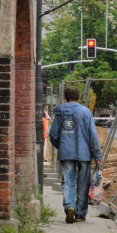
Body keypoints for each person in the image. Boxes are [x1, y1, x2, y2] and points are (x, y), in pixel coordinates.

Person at [49, 86, 101, 223]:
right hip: (84, 154)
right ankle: (80, 214)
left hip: (66, 152)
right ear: (78, 97)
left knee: (68, 181)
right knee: (83, 183)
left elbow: (53, 135)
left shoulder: (60, 112)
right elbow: (92, 135)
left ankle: (69, 207)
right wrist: (97, 156)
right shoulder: (85, 112)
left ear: (65, 97)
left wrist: (61, 146)